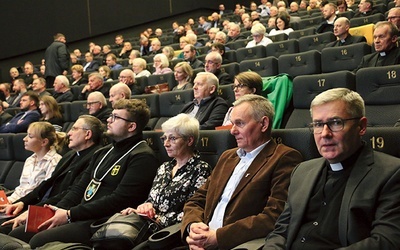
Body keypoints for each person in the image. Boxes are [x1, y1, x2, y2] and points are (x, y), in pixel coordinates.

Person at [7, 99, 159, 248]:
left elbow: (120, 200)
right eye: (110, 115)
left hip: (102, 221)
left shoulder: (142, 156)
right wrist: (50, 213)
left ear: (131, 126)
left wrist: (69, 214)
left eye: (116, 117)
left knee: (38, 240)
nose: (109, 120)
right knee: (17, 232)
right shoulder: (103, 152)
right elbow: (77, 190)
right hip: (81, 214)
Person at [263, 87, 400, 249]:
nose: (324, 133)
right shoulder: (302, 171)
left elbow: (386, 242)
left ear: (361, 127)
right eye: (318, 124)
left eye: (336, 123)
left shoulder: (391, 173)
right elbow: (281, 230)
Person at [182, 94, 303, 249]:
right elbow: (196, 200)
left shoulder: (284, 158)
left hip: (235, 245)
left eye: (239, 124)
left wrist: (218, 237)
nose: (232, 131)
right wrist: (193, 226)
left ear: (264, 124)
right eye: (232, 124)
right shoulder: (227, 156)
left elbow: (273, 216)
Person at [0, 116, 103, 234]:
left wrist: (35, 211)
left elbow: (71, 193)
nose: (68, 133)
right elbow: (46, 184)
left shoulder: (95, 157)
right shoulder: (70, 155)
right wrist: (23, 202)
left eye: (74, 129)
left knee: (9, 231)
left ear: (88, 134)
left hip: (60, 211)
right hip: (47, 206)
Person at [122, 114, 211, 245]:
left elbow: (194, 210)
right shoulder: (164, 167)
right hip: (148, 227)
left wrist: (158, 219)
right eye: (164, 138)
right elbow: (152, 200)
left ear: (189, 140)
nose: (166, 143)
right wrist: (145, 207)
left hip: (170, 234)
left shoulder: (201, 169)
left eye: (172, 138)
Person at [7, 122, 64, 204]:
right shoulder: (29, 160)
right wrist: (8, 201)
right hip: (16, 202)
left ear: (44, 142)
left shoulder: (55, 162)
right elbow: (21, 189)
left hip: (30, 206)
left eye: (30, 136)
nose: (24, 139)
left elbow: (45, 194)